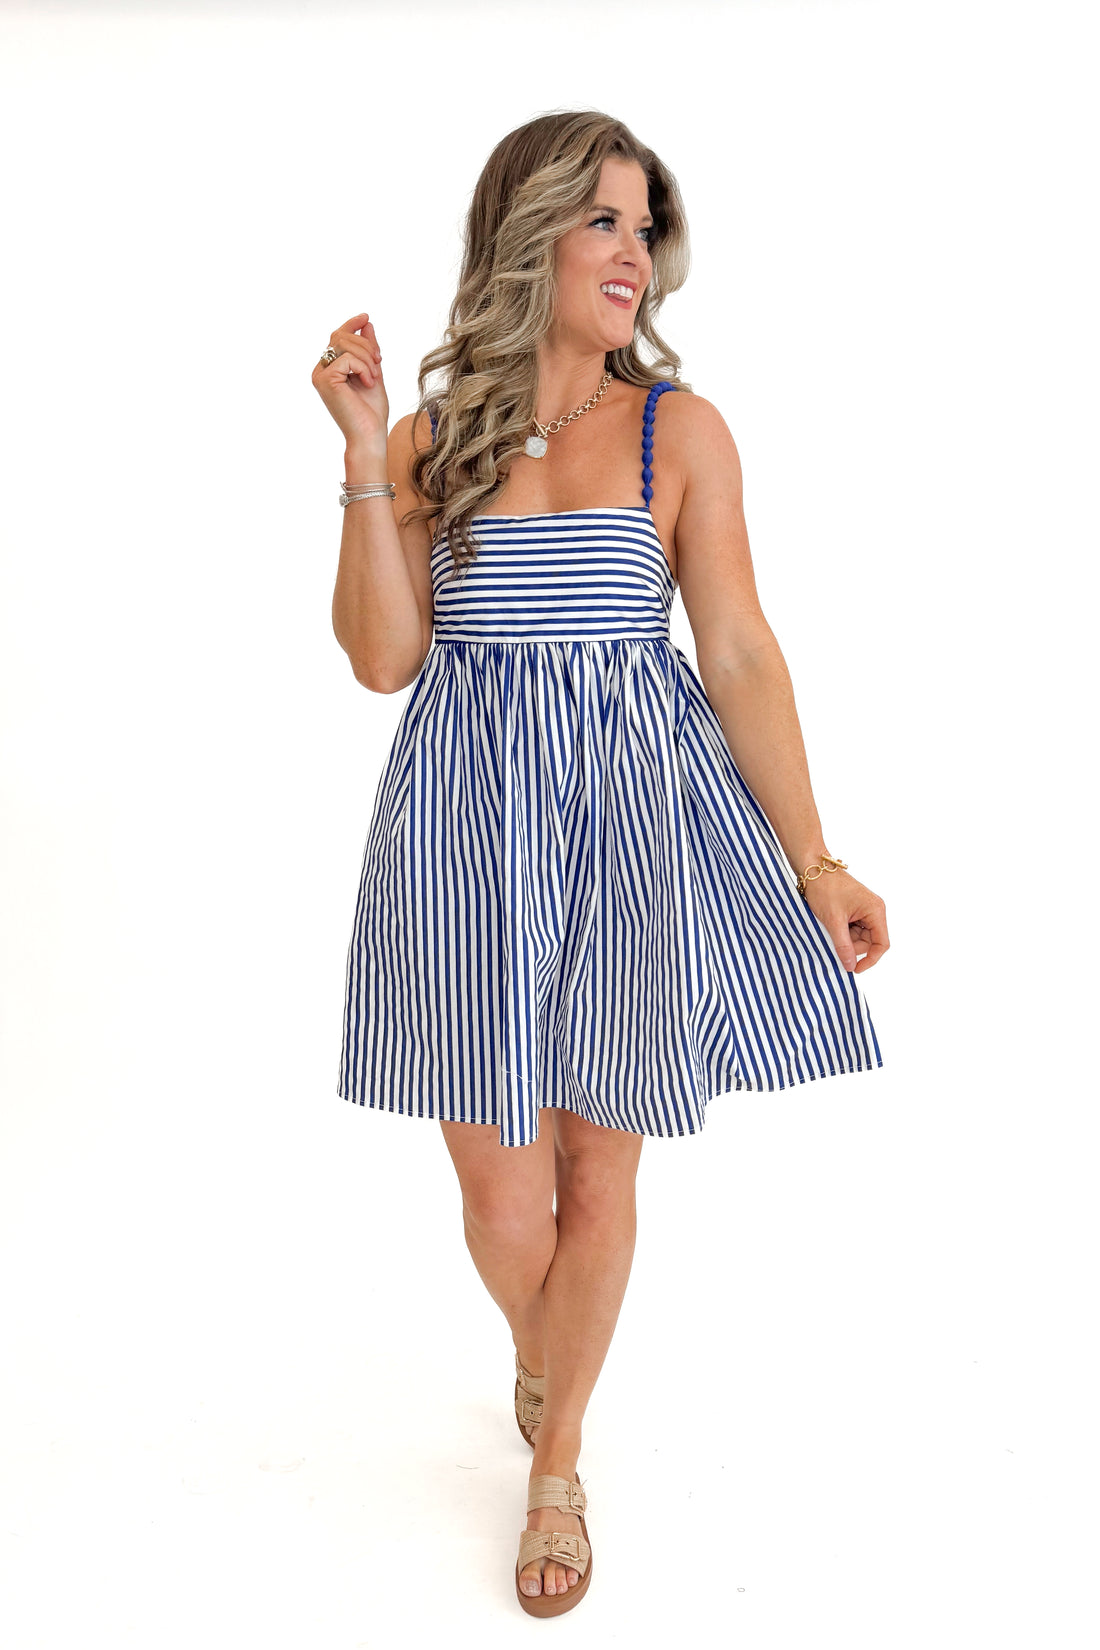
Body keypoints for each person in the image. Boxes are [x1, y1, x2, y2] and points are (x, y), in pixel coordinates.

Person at [312, 109, 889, 1617]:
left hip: (635, 821)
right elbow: (384, 658)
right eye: (604, 221)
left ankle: (556, 1451)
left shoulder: (678, 433)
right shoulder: (442, 437)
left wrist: (816, 855)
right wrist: (370, 457)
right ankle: (544, 1342)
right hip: (464, 830)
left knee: (596, 1160)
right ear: (531, 235)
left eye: (646, 225)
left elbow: (741, 649)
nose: (633, 251)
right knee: (506, 1203)